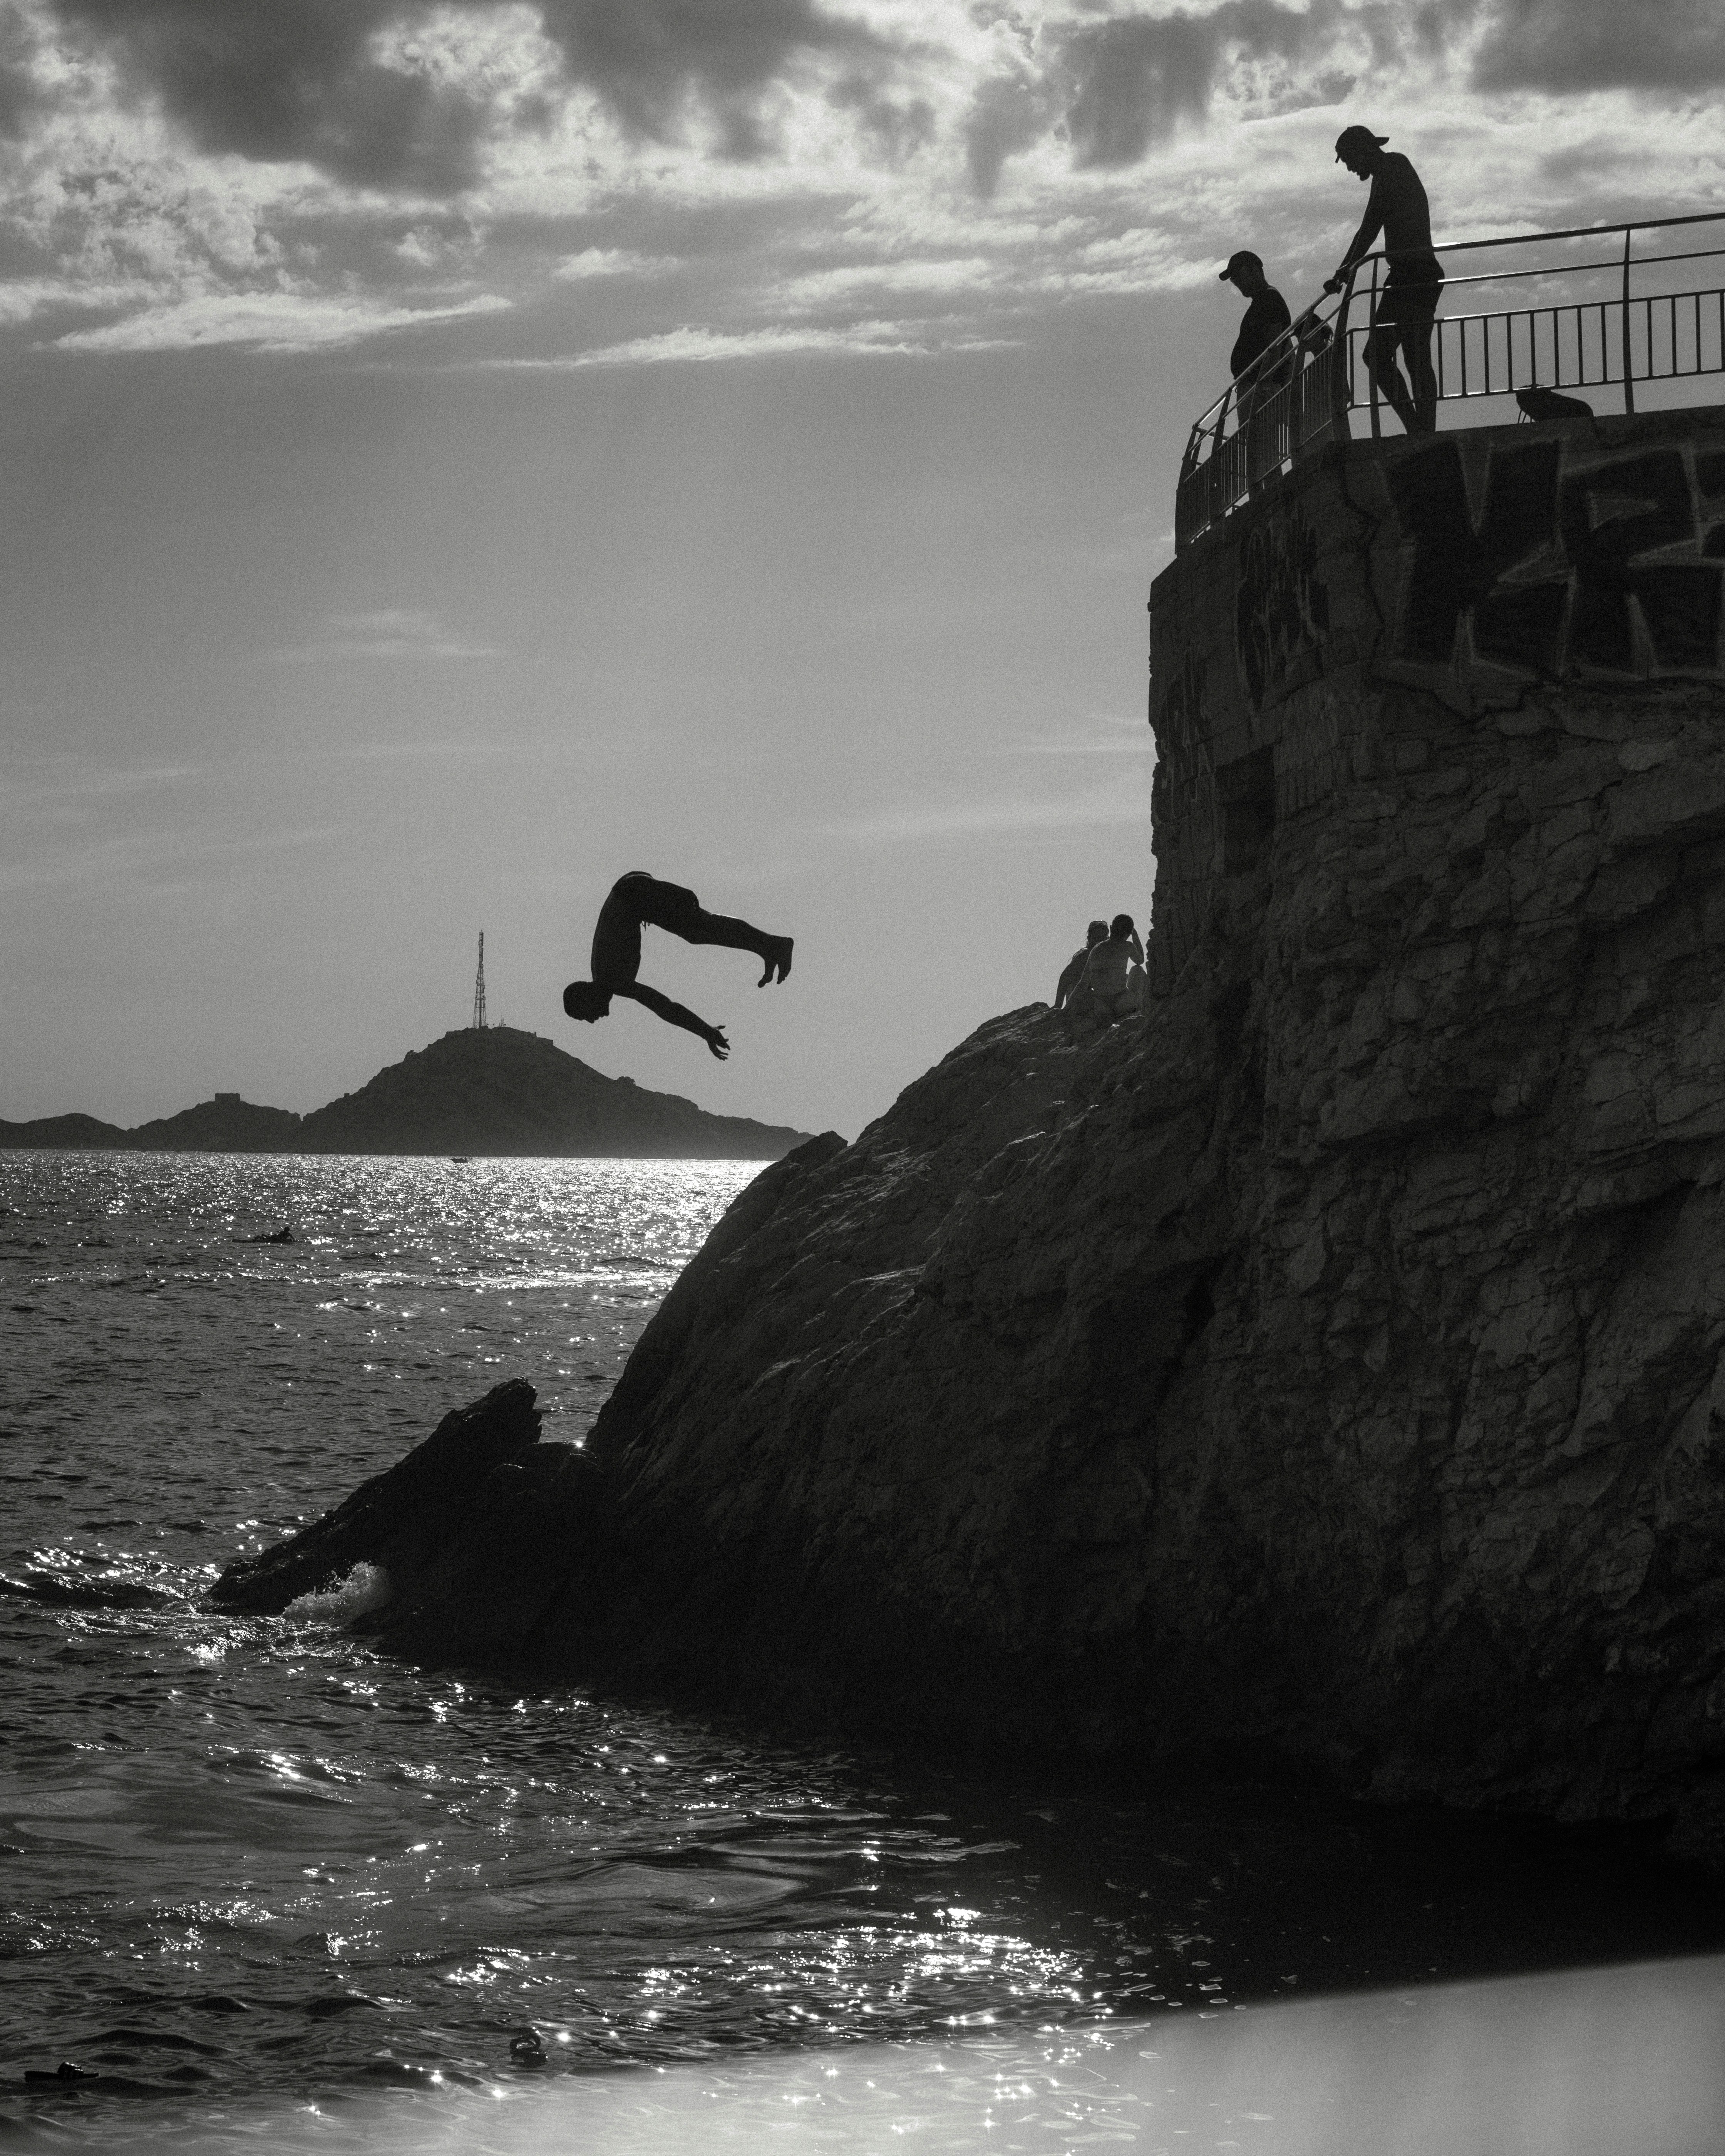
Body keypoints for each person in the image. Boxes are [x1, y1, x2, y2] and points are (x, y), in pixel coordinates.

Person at [562, 870, 793, 1060]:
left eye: (586, 1016)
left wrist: (706, 1032)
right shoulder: (605, 975)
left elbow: (666, 1008)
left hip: (636, 893)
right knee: (698, 929)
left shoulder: (612, 979)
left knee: (698, 928)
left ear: (587, 998)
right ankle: (769, 948)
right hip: (633, 890)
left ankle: (774, 945)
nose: (592, 1020)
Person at [1324, 126, 1442, 435]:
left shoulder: (1393, 167)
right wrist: (1344, 269)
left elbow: (1369, 227)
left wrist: (1343, 270)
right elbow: (1369, 227)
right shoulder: (1387, 173)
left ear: (1363, 151)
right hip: (1406, 276)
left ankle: (1423, 430)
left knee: (1412, 356)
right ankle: (1418, 428)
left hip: (1416, 275)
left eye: (1350, 160)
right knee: (1382, 356)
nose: (1351, 168)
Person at [1072, 914, 1144, 1025]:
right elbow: (1140, 960)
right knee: (1137, 970)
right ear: (1128, 934)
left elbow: (1083, 983)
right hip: (1122, 1003)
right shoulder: (1128, 946)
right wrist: (1135, 935)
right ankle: (1142, 1010)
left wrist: (1067, 1009)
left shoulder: (1097, 949)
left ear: (1111, 929)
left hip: (1102, 1006)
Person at [1055, 920, 1108, 1009]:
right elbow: (1065, 977)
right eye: (1096, 938)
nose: (1099, 942)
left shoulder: (1103, 958)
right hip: (1077, 998)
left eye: (1102, 939)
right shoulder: (1085, 954)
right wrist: (1058, 1005)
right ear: (1089, 938)